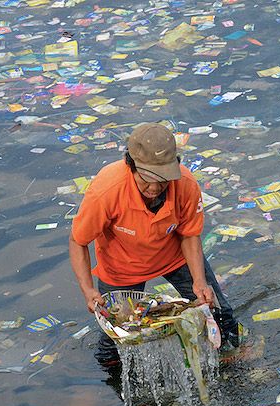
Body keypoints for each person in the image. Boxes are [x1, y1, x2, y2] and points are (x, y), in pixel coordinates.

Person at [69, 123, 240, 366]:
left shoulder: (186, 185)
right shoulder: (106, 190)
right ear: (131, 166)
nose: (154, 188)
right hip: (122, 267)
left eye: (163, 180)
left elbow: (189, 235)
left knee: (219, 313)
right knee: (117, 338)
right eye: (146, 179)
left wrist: (199, 282)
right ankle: (115, 381)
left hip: (174, 256)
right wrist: (88, 290)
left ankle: (230, 362)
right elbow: (78, 241)